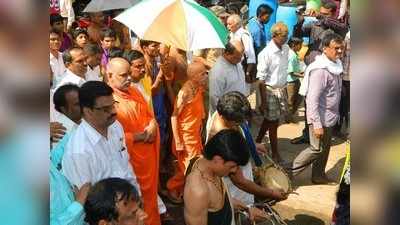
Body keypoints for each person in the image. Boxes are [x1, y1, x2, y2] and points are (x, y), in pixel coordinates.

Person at [207, 92, 287, 206]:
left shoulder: (220, 112)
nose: (241, 123)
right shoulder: (225, 141)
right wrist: (272, 193)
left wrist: (252, 145)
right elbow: (240, 182)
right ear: (226, 118)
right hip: (235, 196)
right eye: (238, 122)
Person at [107, 57, 161, 225]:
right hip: (131, 162)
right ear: (110, 75)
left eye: (129, 74)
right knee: (136, 202)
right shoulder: (107, 101)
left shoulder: (135, 92)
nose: (129, 78)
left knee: (151, 198)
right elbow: (111, 138)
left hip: (148, 158)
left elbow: (149, 114)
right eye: (124, 75)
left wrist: (152, 124)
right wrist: (137, 137)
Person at [62, 81, 140, 191]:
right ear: (88, 111)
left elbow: (126, 167)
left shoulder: (115, 126)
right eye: (106, 109)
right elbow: (86, 197)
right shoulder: (79, 152)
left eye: (113, 105)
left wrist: (137, 194)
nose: (113, 111)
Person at [184, 129, 268, 225]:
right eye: (232, 166)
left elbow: (220, 200)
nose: (234, 170)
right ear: (217, 159)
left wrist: (247, 208)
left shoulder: (207, 166)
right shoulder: (198, 191)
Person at [291, 33, 344, 184]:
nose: (339, 51)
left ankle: (318, 175)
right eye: (336, 48)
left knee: (325, 148)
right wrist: (316, 124)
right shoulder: (321, 71)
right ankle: (288, 173)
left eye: (341, 48)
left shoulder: (335, 65)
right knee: (316, 149)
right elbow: (312, 100)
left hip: (329, 117)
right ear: (325, 49)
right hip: (319, 118)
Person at [166, 62, 208, 203]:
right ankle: (172, 189)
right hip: (185, 137)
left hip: (195, 135)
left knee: (190, 167)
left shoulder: (198, 87)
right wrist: (178, 140)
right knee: (189, 168)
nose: (206, 76)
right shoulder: (184, 92)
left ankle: (183, 191)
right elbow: (174, 116)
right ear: (194, 76)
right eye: (203, 74)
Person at [255, 22, 290, 163]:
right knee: (273, 123)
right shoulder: (266, 53)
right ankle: (275, 153)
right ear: (274, 36)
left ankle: (256, 141)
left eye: (287, 35)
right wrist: (263, 101)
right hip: (269, 90)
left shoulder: (286, 48)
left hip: (281, 89)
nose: (286, 38)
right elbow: (261, 80)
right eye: (283, 36)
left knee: (270, 119)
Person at [208, 40, 248, 118]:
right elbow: (214, 98)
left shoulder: (236, 61)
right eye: (237, 57)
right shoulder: (218, 72)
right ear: (227, 53)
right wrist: (225, 118)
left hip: (239, 112)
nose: (240, 60)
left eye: (241, 56)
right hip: (227, 117)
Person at [227, 14, 257, 83]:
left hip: (243, 68)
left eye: (230, 24)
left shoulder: (244, 35)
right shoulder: (231, 34)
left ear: (237, 24)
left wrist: (247, 73)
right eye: (227, 24)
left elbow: (250, 55)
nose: (227, 26)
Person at [286, 37, 304, 119]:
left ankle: (290, 115)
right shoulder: (292, 56)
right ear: (294, 45)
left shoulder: (294, 54)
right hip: (291, 82)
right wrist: (303, 75)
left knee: (298, 98)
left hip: (295, 80)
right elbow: (291, 72)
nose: (301, 47)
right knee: (291, 100)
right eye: (300, 45)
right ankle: (289, 117)